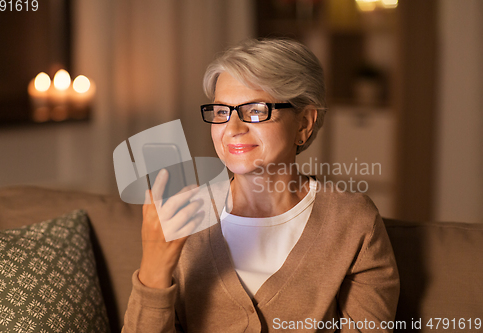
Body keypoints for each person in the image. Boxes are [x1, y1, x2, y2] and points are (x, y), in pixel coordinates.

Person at [122, 38, 400, 332]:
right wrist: (154, 269)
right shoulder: (183, 216)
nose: (233, 129)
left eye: (255, 110)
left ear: (304, 123)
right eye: (221, 112)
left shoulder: (352, 220)